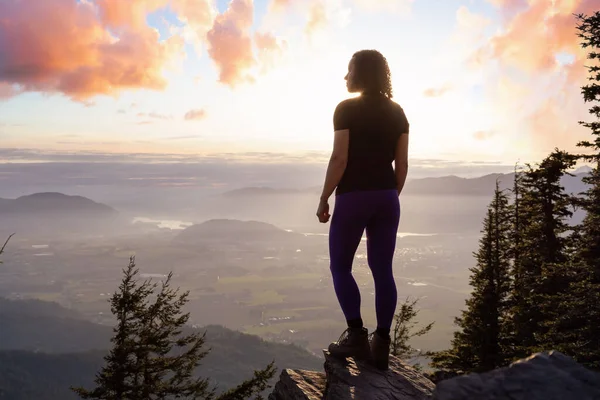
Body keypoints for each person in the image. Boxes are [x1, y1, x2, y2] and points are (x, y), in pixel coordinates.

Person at [316, 49, 410, 371]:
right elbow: (403, 164)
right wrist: (388, 196)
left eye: (349, 70)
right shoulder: (398, 112)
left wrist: (324, 197)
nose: (345, 77)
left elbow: (339, 159)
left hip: (354, 196)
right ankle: (381, 343)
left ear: (362, 74)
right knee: (382, 268)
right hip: (387, 197)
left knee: (340, 267)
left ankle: (356, 334)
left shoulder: (346, 109)